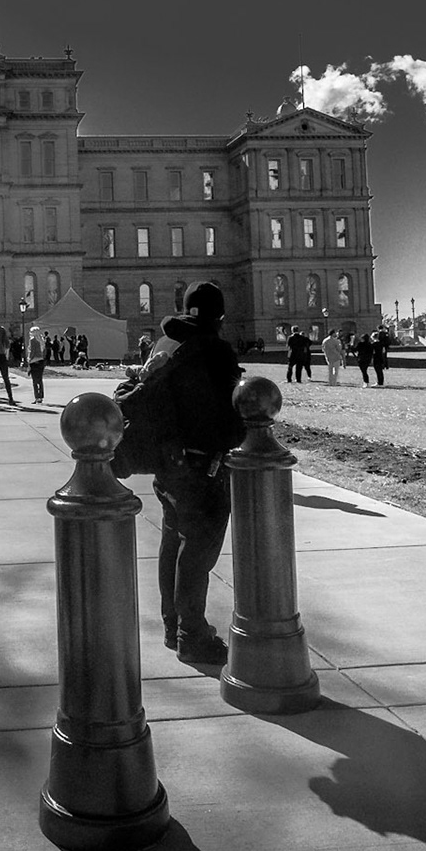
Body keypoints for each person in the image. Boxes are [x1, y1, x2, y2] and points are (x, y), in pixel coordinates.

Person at [146, 282, 246, 665]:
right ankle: (193, 634)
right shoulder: (214, 348)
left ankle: (173, 627)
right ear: (219, 315)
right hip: (201, 467)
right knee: (197, 552)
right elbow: (228, 417)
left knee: (172, 542)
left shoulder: (165, 344)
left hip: (165, 465)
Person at [27, 325, 48, 404]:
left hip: (34, 361)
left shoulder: (32, 340)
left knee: (34, 381)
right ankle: (41, 396)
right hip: (41, 361)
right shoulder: (41, 340)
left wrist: (29, 360)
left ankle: (37, 397)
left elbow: (32, 351)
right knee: (40, 380)